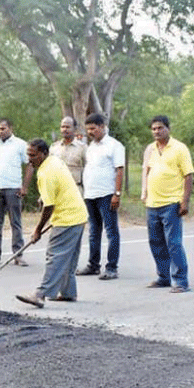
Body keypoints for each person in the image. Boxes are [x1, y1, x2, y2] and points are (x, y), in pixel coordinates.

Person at [16, 139, 87, 308]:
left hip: (67, 218)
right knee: (67, 258)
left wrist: (38, 230)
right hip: (78, 214)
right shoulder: (54, 161)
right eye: (28, 155)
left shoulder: (45, 173)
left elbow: (49, 206)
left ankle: (40, 294)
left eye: (33, 155)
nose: (30, 159)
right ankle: (68, 293)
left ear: (44, 153)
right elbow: (56, 190)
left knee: (55, 256)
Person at [142, 115, 194, 293]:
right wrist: (145, 194)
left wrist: (184, 201)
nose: (156, 131)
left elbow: (188, 176)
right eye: (154, 129)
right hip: (152, 203)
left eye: (160, 128)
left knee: (173, 243)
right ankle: (163, 277)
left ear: (168, 129)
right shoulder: (151, 149)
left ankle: (181, 281)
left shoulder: (179, 148)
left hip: (172, 203)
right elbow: (148, 172)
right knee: (155, 242)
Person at [76, 113, 125, 280]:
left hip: (106, 194)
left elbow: (119, 170)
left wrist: (116, 194)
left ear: (102, 127)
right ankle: (93, 265)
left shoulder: (114, 145)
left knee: (111, 232)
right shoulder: (91, 147)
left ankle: (111, 267)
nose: (90, 132)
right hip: (90, 194)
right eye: (88, 129)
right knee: (93, 231)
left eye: (93, 128)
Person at [0, 118, 33, 266]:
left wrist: (25, 186)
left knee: (15, 222)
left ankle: (18, 255)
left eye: (3, 128)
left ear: (10, 128)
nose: (0, 131)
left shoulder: (20, 144)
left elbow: (30, 165)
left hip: (13, 187)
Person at [49, 116, 86, 195]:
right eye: (62, 127)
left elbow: (88, 171)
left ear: (75, 129)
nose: (64, 129)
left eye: (68, 127)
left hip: (75, 191)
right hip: (57, 191)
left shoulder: (82, 148)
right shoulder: (54, 148)